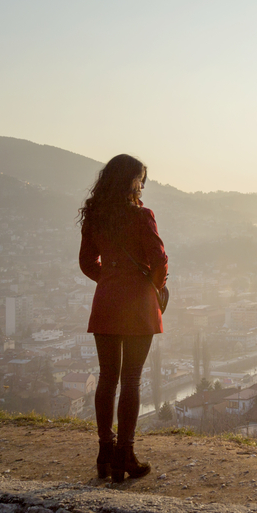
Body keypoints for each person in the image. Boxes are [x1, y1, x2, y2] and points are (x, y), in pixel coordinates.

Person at [78, 154, 168, 482]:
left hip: (106, 300)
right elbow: (159, 260)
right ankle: (125, 456)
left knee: (107, 378)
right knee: (131, 379)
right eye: (141, 179)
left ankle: (105, 451)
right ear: (131, 180)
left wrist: (110, 279)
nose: (143, 185)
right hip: (137, 305)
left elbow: (88, 262)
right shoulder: (142, 216)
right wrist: (151, 287)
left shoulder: (95, 217)